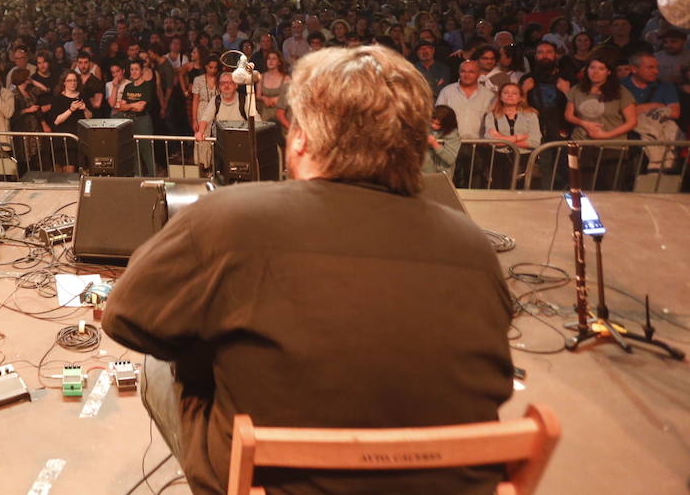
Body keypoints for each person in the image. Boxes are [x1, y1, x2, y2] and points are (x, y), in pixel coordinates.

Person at [103, 45, 513, 494]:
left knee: (160, 367)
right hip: (444, 484)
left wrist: (218, 350)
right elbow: (493, 381)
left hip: (273, 482)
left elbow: (126, 316)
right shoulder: (473, 247)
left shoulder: (230, 216)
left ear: (300, 139)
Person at [565, 46, 637, 192]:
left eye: (601, 68)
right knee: (583, 188)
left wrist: (606, 135)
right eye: (592, 68)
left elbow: (632, 121)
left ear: (608, 72)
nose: (595, 72)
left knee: (609, 189)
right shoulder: (578, 89)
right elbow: (569, 115)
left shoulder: (621, 92)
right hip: (583, 144)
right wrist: (583, 123)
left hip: (612, 147)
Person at [436, 60, 495, 188]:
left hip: (477, 146)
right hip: (451, 144)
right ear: (459, 72)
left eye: (471, 72)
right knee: (450, 183)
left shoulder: (488, 95)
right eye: (463, 71)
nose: (466, 75)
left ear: (479, 74)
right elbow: (439, 116)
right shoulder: (447, 91)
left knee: (474, 184)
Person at [622, 52, 682, 171]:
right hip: (632, 136)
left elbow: (675, 112)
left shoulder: (665, 86)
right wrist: (655, 105)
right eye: (650, 67)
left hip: (662, 132)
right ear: (634, 69)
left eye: (656, 67)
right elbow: (619, 113)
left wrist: (638, 109)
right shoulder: (621, 87)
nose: (656, 71)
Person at [478, 83, 541, 188]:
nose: (510, 95)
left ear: (520, 97)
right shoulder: (491, 115)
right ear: (500, 96)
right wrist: (517, 138)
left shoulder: (531, 115)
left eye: (514, 93)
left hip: (524, 160)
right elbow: (491, 140)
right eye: (506, 93)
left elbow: (534, 142)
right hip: (499, 160)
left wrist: (501, 138)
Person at [114, 59, 158, 175]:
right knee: (133, 152)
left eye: (136, 69)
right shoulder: (128, 86)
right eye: (132, 69)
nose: (133, 72)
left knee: (147, 151)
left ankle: (153, 177)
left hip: (143, 121)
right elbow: (120, 107)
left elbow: (140, 108)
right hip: (129, 120)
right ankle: (137, 178)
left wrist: (128, 106)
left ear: (141, 71)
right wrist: (133, 105)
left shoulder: (147, 86)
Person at [424, 105, 461, 175]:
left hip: (442, 173)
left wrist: (435, 144)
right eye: (432, 122)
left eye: (437, 124)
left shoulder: (453, 135)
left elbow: (450, 159)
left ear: (447, 124)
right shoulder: (426, 128)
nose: (433, 125)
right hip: (425, 171)